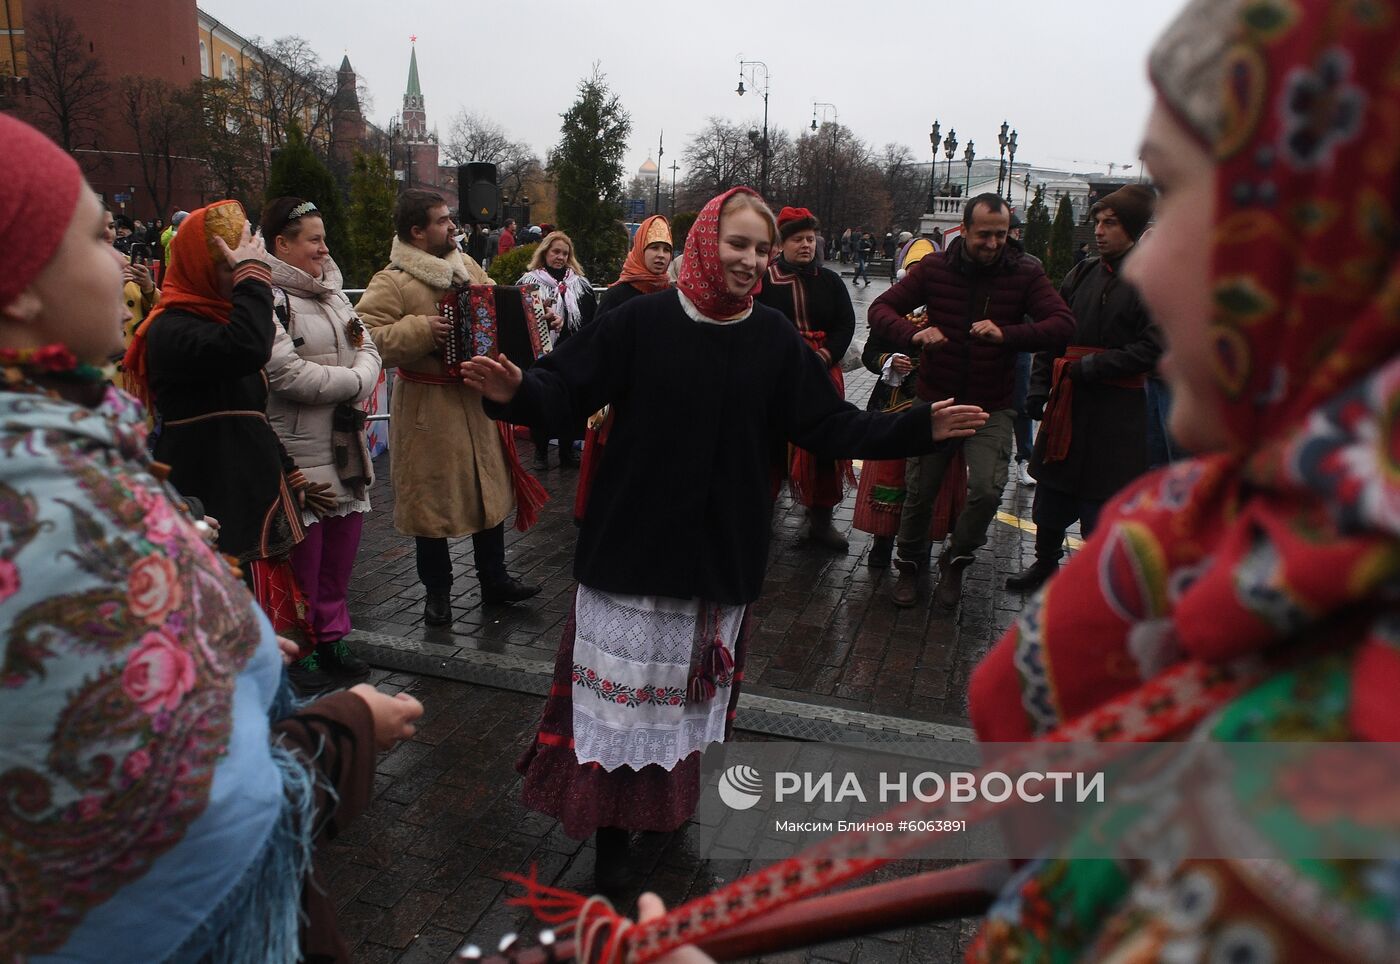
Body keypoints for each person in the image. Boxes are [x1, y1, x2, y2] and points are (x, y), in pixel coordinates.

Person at [462, 187, 986, 894]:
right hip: (633, 548)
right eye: (739, 243)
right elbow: (564, 391)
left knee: (682, 703)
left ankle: (666, 812)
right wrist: (517, 390)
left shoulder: (772, 337)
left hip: (720, 551)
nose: (751, 260)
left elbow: (829, 426)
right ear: (707, 243)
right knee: (625, 706)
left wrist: (918, 426)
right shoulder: (639, 320)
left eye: (762, 249)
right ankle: (611, 842)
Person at [0, 111, 423, 964]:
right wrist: (338, 736)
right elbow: (183, 819)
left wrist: (216, 637)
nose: (127, 263)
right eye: (98, 237)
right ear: (17, 291)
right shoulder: (44, 509)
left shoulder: (66, 444)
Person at [123, 200, 337, 666]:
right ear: (198, 267)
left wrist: (290, 474)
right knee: (228, 633)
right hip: (212, 490)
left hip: (253, 490)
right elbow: (246, 349)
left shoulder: (221, 321)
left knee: (273, 626)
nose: (238, 276)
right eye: (229, 267)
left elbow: (251, 412)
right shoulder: (170, 328)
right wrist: (255, 277)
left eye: (242, 266)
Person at [869, 193, 1074, 610]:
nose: (994, 243)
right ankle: (908, 565)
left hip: (990, 404)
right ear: (963, 230)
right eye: (984, 235)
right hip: (935, 399)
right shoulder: (935, 268)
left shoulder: (1025, 272)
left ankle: (957, 559)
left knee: (987, 490)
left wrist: (1008, 335)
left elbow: (1063, 324)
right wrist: (913, 335)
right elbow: (880, 308)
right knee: (919, 491)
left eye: (1001, 234)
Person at [355, 189, 540, 627]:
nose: (452, 226)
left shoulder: (467, 266)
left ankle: (494, 579)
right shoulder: (392, 280)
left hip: (476, 404)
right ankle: (437, 593)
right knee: (430, 506)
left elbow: (498, 307)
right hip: (428, 409)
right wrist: (422, 330)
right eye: (441, 221)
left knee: (487, 496)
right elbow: (364, 336)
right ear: (417, 232)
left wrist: (536, 319)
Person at [1008, 185, 1163, 594]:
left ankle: (1094, 581)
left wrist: (1092, 367)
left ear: (1131, 228)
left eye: (1110, 223)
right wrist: (1039, 387)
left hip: (1117, 412)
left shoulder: (1152, 280)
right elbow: (1054, 334)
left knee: (1103, 498)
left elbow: (1153, 347)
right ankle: (1045, 563)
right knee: (1052, 490)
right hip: (1069, 404)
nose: (1099, 230)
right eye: (1097, 222)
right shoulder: (1081, 273)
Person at [260, 196, 384, 689]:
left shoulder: (333, 294)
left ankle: (333, 636)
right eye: (314, 240)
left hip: (344, 447)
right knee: (303, 561)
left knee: (340, 555)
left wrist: (360, 376)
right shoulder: (267, 297)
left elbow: (367, 346)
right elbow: (284, 373)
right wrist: (355, 383)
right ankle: (302, 647)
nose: (324, 248)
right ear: (282, 244)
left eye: (323, 238)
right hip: (298, 451)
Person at [755, 206, 857, 550]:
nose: (806, 245)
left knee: (824, 445)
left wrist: (823, 356)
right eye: (798, 239)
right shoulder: (764, 281)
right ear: (781, 244)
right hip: (774, 376)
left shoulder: (830, 281)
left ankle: (820, 521)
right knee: (768, 447)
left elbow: (845, 324)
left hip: (821, 374)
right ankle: (760, 516)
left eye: (810, 239)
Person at [517, 230, 596, 470]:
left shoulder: (580, 286)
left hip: (571, 353)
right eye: (556, 252)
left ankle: (566, 451)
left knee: (570, 404)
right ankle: (540, 452)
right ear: (545, 253)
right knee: (540, 402)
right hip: (541, 355)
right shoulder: (529, 283)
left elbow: (590, 320)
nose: (560, 257)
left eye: (565, 253)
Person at [596, 214, 672, 317]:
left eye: (666, 250)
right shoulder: (616, 297)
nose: (661, 255)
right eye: (654, 247)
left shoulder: (674, 296)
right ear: (640, 251)